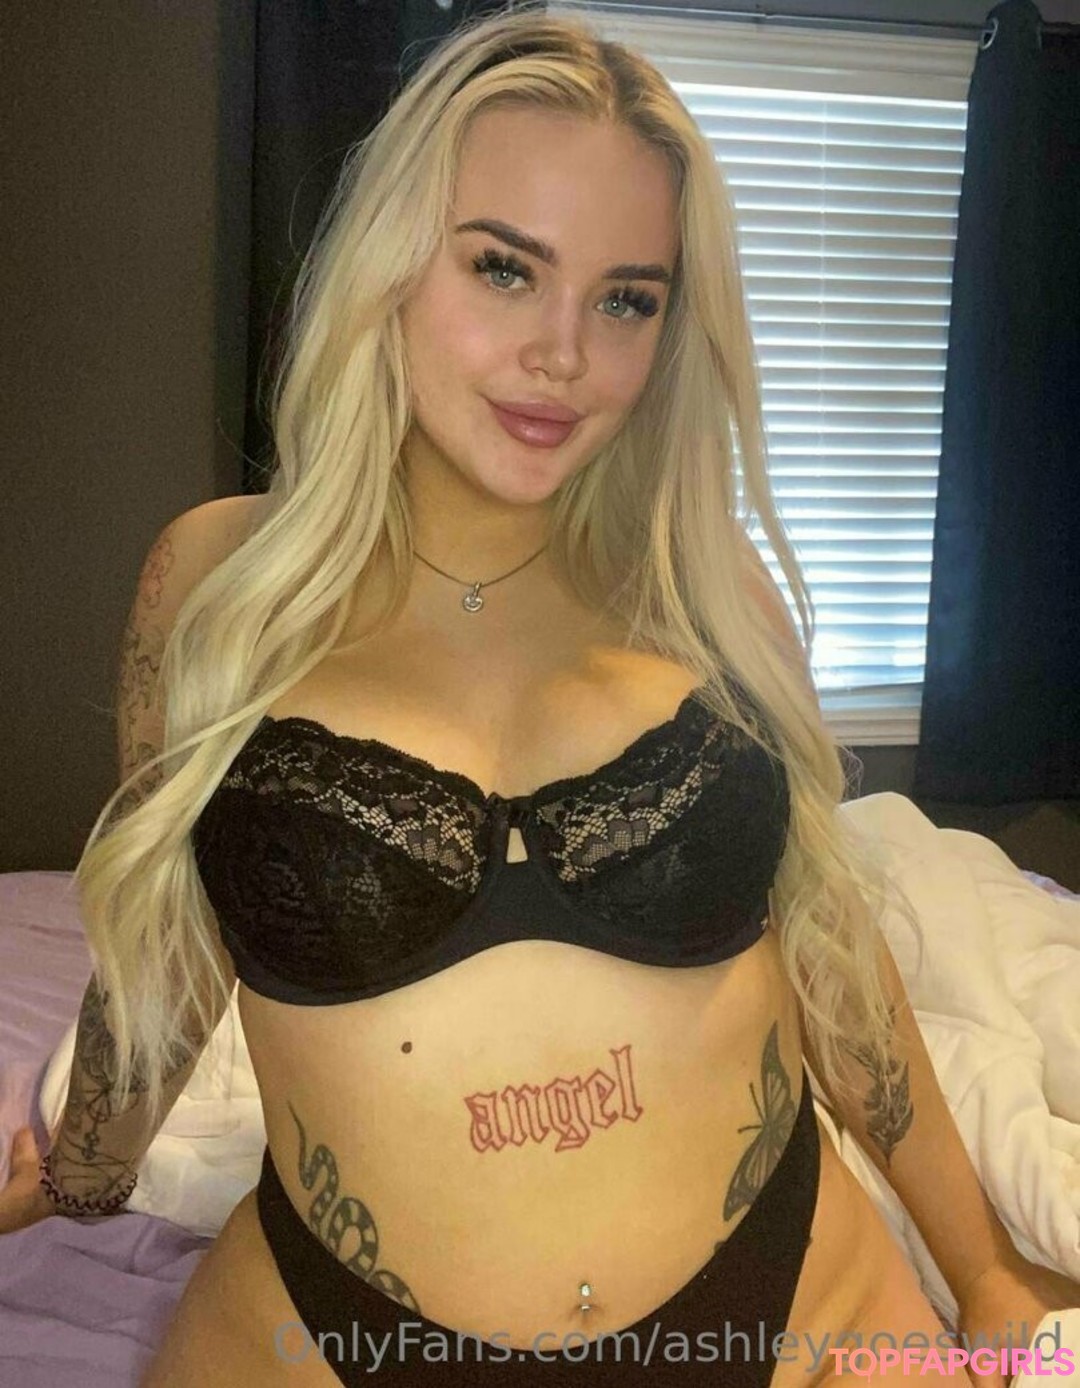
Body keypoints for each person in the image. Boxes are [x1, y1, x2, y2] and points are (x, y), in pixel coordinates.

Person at [3, 10, 1077, 1387]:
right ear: (394, 260)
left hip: (793, 1305)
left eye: (626, 298)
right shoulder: (217, 588)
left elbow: (830, 953)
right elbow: (164, 960)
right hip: (334, 1337)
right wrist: (78, 1175)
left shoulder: (709, 594)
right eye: (505, 269)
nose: (563, 353)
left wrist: (981, 1270)